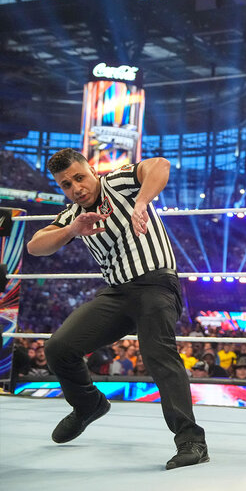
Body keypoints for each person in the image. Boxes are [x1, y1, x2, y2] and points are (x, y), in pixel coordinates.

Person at [26, 148, 207, 469]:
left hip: (156, 285)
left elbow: (160, 165)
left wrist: (141, 203)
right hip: (117, 294)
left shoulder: (118, 182)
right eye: (66, 185)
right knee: (58, 348)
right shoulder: (73, 214)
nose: (76, 188)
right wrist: (71, 230)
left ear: (91, 170)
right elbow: (35, 246)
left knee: (158, 356)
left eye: (79, 178)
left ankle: (192, 440)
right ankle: (88, 405)